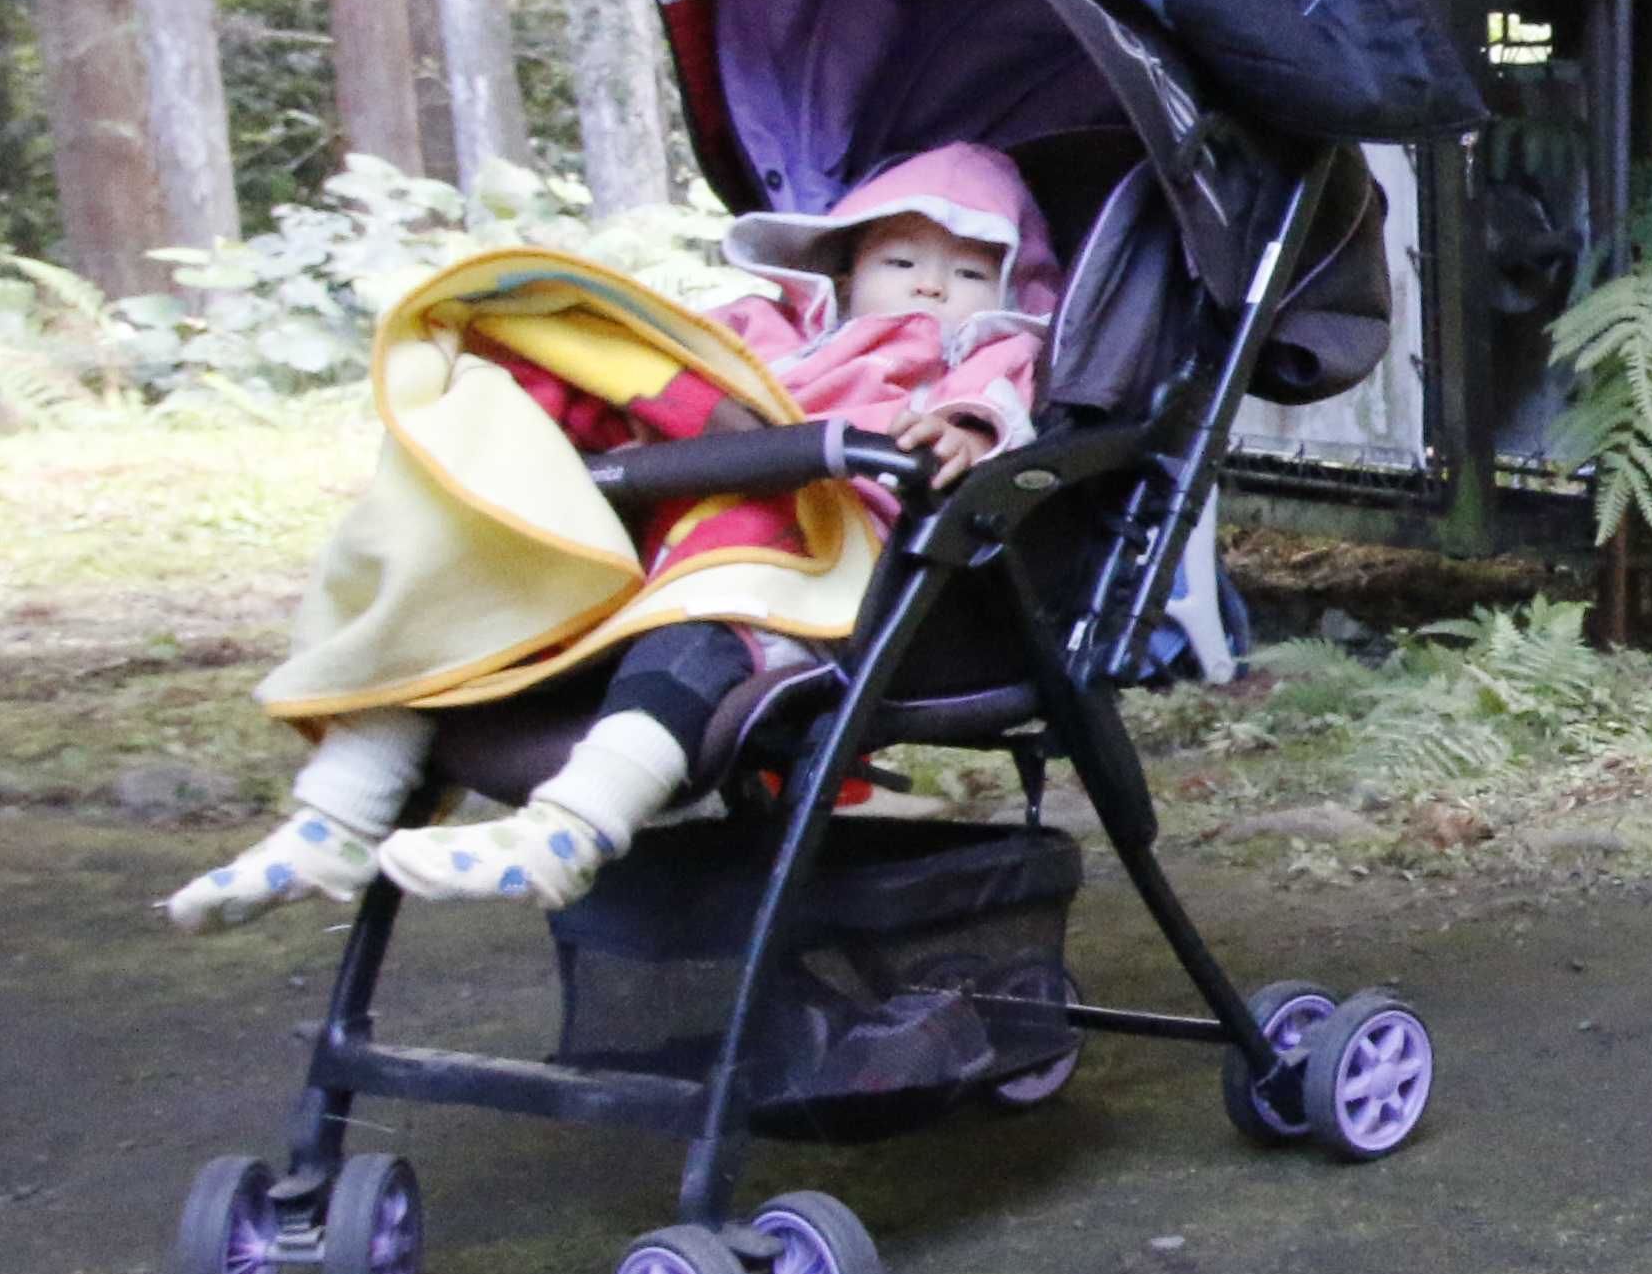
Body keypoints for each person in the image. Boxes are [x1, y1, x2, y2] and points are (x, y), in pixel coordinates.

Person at [162, 144, 1053, 934]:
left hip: (816, 560)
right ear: (843, 266)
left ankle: (569, 830)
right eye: (901, 259)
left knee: (698, 629)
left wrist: (964, 432)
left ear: (1011, 295)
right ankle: (334, 825)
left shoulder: (976, 357)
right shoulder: (766, 332)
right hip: (660, 536)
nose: (934, 287)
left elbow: (1000, 411)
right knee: (476, 599)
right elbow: (681, 376)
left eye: (973, 273)